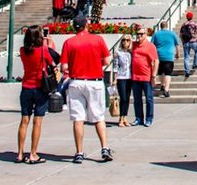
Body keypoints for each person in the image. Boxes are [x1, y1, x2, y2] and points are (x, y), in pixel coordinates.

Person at [61, 15, 113, 163]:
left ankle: (79, 151)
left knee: (78, 118)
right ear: (86, 24)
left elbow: (64, 66)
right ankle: (104, 147)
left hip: (76, 81)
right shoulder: (97, 40)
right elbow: (107, 60)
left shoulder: (69, 43)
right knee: (98, 116)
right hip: (94, 81)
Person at [17, 25, 54, 164]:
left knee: (24, 121)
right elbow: (52, 62)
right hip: (39, 87)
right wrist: (47, 44)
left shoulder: (22, 50)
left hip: (26, 86)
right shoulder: (43, 50)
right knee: (37, 122)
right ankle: (33, 153)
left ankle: (20, 153)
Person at [131, 27, 159, 127]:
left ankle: (149, 118)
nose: (139, 36)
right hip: (135, 77)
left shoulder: (150, 46)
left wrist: (154, 75)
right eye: (137, 34)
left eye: (141, 34)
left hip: (146, 77)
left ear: (146, 34)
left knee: (149, 99)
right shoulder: (134, 45)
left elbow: (156, 61)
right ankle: (138, 118)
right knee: (137, 99)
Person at [150, 20, 179, 98]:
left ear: (160, 27)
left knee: (160, 72)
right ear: (167, 26)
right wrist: (177, 54)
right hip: (169, 56)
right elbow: (177, 45)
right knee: (168, 73)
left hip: (158, 56)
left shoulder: (156, 34)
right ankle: (166, 90)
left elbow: (151, 46)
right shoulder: (172, 34)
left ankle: (162, 85)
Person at [113, 36, 133, 127]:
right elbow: (115, 67)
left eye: (128, 40)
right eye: (124, 40)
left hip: (130, 77)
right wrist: (114, 78)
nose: (125, 42)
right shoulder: (118, 53)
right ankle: (121, 117)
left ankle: (125, 117)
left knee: (127, 98)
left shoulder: (131, 53)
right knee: (123, 98)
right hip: (121, 77)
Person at [180, 12, 197, 78]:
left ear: (187, 17)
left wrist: (183, 42)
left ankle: (187, 72)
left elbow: (180, 35)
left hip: (186, 43)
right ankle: (195, 64)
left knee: (186, 57)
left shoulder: (183, 25)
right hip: (194, 42)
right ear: (192, 17)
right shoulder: (194, 24)